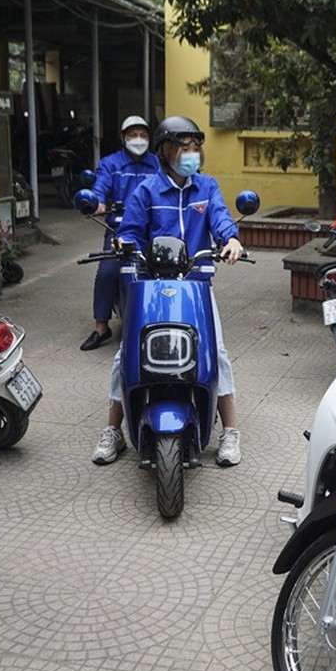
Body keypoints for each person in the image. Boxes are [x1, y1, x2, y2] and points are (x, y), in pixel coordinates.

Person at [91, 115, 246, 467]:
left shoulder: (206, 188)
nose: (191, 155)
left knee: (216, 353)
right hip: (149, 286)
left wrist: (232, 239)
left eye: (195, 148)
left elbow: (221, 219)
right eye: (183, 148)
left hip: (196, 285)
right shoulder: (145, 190)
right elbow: (130, 230)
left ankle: (230, 431)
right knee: (124, 356)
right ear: (165, 152)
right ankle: (113, 430)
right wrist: (123, 243)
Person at [80, 115, 161, 351]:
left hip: (154, 230)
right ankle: (101, 327)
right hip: (119, 230)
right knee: (107, 271)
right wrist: (97, 203)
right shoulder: (111, 164)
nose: (138, 139)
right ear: (123, 138)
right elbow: (100, 187)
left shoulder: (157, 164)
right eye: (133, 135)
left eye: (143, 135)